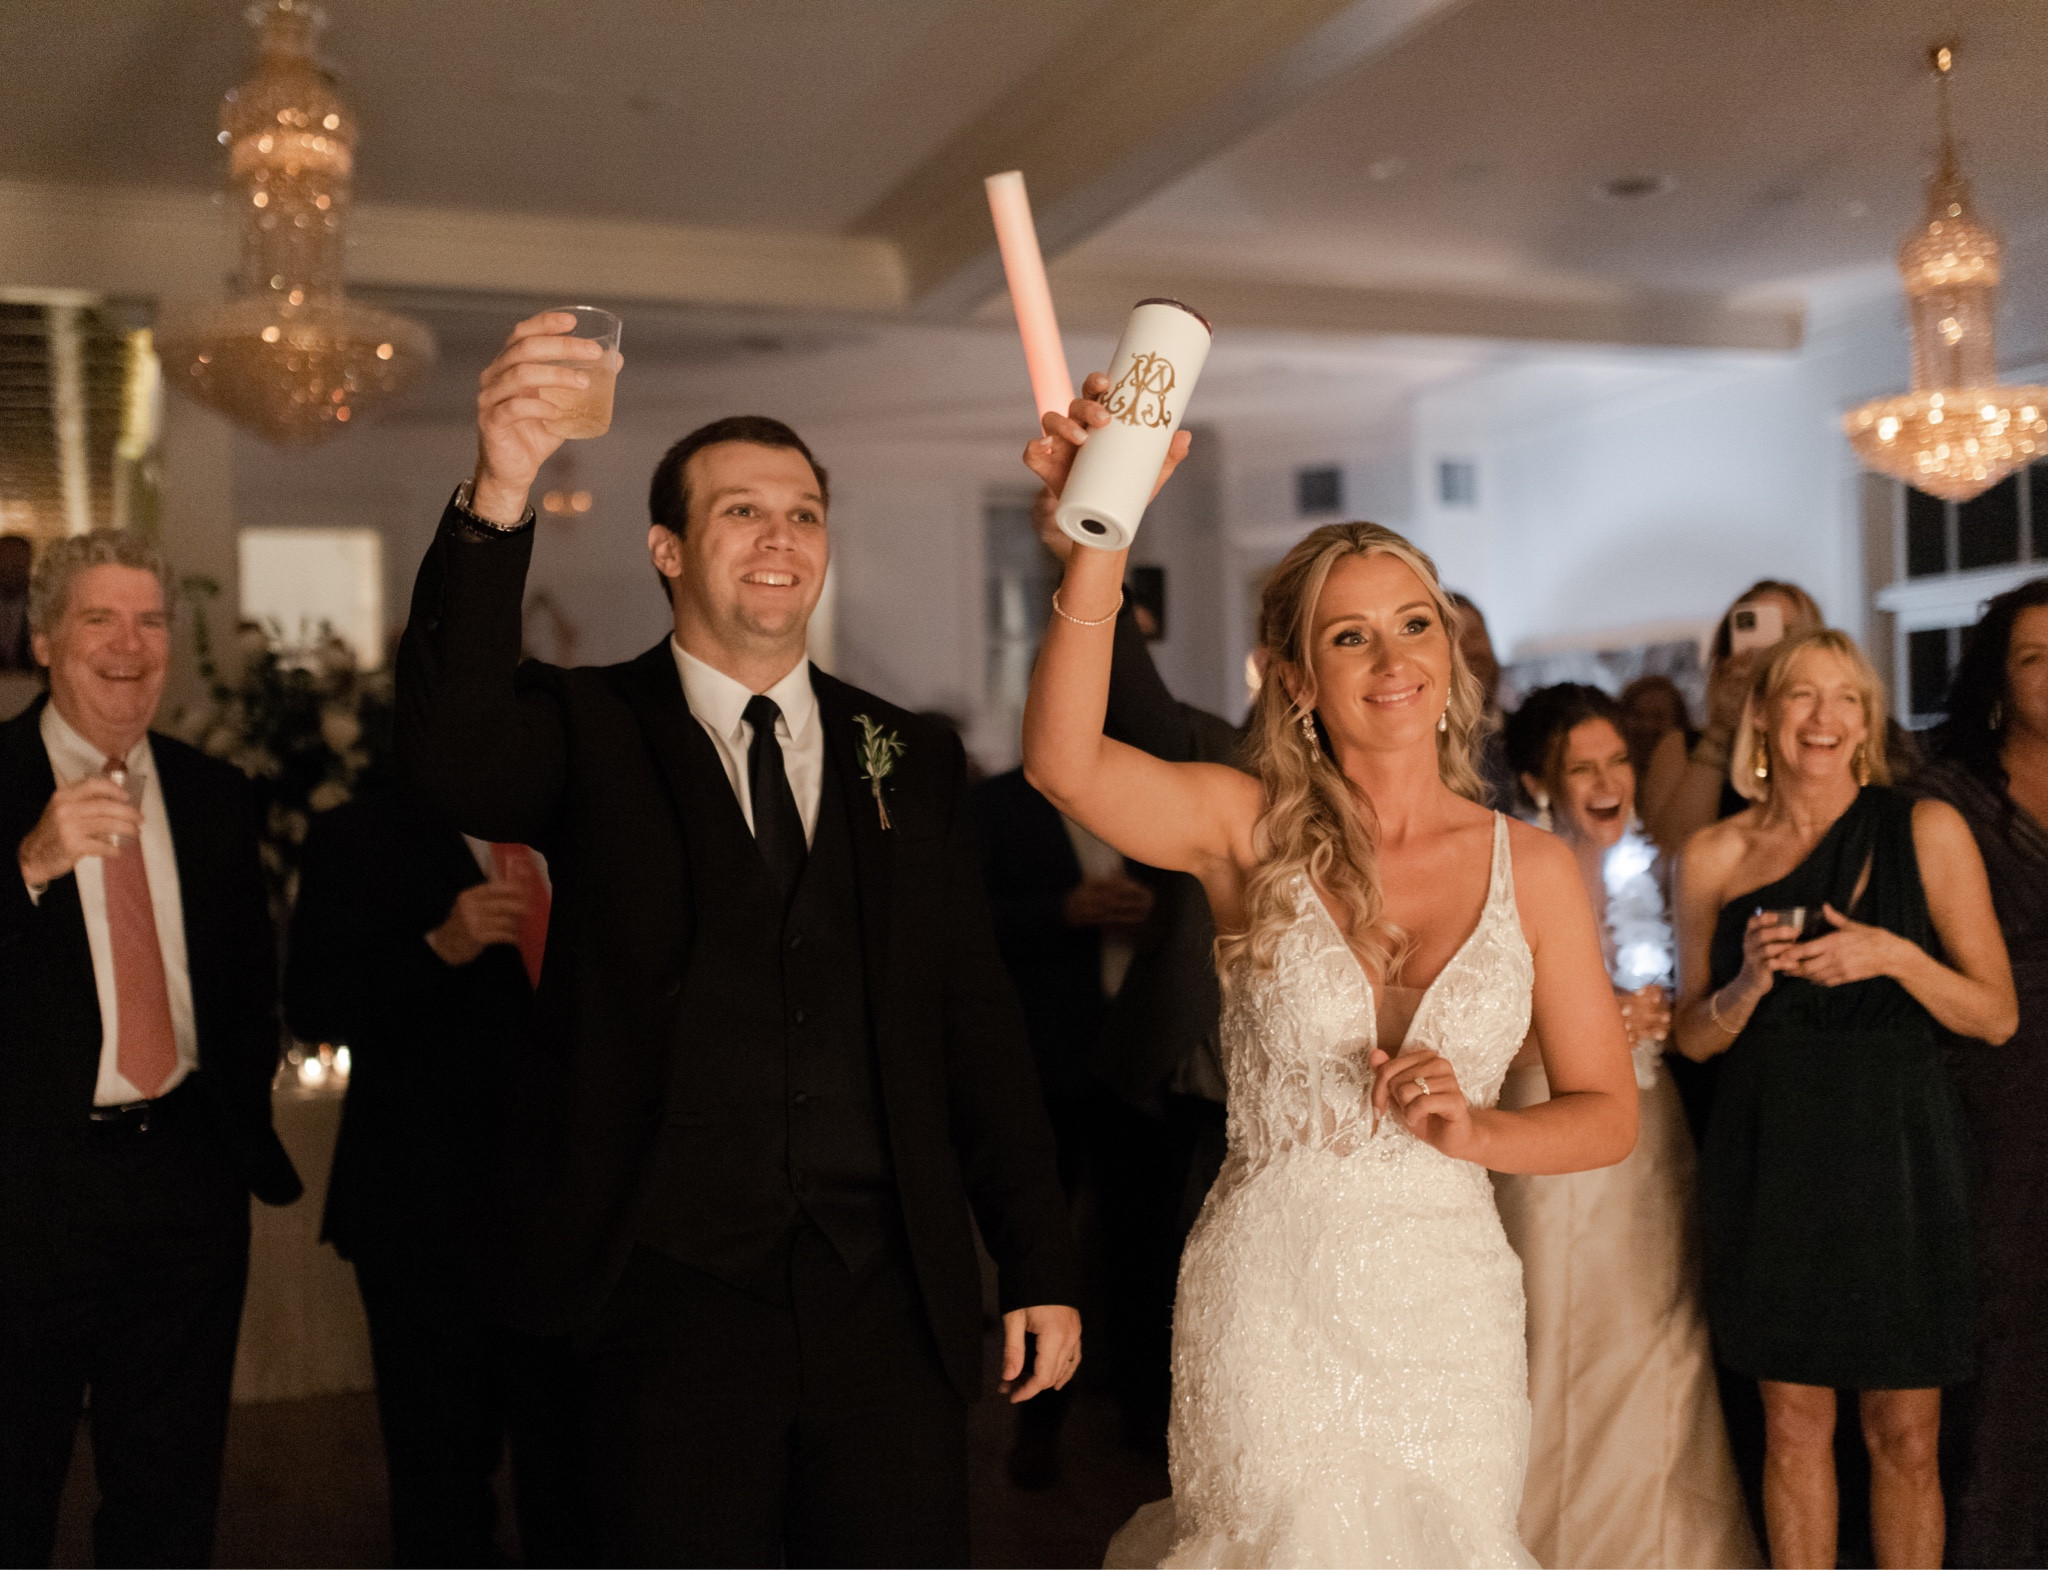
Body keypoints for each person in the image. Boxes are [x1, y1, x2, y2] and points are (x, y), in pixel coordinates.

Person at [396, 311, 1081, 1568]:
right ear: (666, 547)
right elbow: (449, 755)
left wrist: (1035, 1249)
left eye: (804, 513)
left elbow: (971, 1016)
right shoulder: (589, 726)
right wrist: (502, 489)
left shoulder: (908, 754)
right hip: (660, 1299)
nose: (780, 538)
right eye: (740, 513)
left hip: (887, 1299)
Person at [1023, 373, 1637, 1568]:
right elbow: (1060, 763)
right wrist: (1098, 539)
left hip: (1449, 1301)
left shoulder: (1537, 868)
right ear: (1296, 680)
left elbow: (1604, 1114)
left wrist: (1478, 1134)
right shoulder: (1241, 827)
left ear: (1451, 655)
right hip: (1270, 1293)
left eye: (1413, 623)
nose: (1390, 656)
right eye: (1346, 635)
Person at [1671, 629, 2016, 1570]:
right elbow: (1691, 1037)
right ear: (1764, 719)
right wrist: (1743, 988)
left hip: (1897, 1148)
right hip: (1773, 1147)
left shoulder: (1924, 829)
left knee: (1905, 1433)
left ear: (1866, 722)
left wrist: (1893, 957)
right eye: (1800, 697)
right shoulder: (1709, 856)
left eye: (1846, 699)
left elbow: (1995, 1015)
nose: (1823, 718)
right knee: (1790, 1424)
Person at [0, 532, 300, 1568]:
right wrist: (27, 865)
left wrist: (231, 1131)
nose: (129, 644)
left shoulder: (215, 793)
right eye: (98, 618)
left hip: (186, 1179)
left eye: (150, 620)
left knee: (169, 1488)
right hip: (27, 1186)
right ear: (43, 639)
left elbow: (244, 989)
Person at [1495, 684, 1756, 1569]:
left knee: (1662, 1335)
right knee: (1562, 1339)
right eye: (1583, 767)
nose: (1608, 781)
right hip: (1555, 1133)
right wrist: (1596, 1024)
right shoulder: (1516, 877)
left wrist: (1661, 1017)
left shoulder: (1646, 865)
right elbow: (1486, 1039)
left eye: (1617, 762)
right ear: (1538, 782)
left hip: (1653, 1120)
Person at [284, 782, 562, 1567]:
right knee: (440, 1486)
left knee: (576, 1478)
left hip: (568, 1213)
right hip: (423, 1219)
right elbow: (312, 1002)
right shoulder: (362, 833)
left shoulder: (577, 820)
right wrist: (438, 947)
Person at [1911, 576, 2048, 1567]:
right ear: (1997, 684)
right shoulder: (1947, 796)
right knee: (2009, 1317)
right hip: (2001, 1084)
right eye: (2035, 657)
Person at [974, 762, 1152, 1486]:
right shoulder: (996, 806)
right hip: (1047, 1061)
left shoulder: (1145, 796)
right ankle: (1036, 1426)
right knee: (1044, 1250)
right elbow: (965, 922)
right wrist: (1063, 911)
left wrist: (1156, 908)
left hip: (1139, 1059)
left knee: (1139, 1246)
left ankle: (1145, 1424)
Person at [1642, 580, 1825, 859]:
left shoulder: (1829, 740)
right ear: (1726, 653)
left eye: (1784, 635)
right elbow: (1673, 851)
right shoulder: (1680, 747)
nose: (1765, 651)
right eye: (1752, 632)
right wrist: (1722, 730)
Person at [1448, 590, 1516, 811]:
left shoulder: (1531, 729)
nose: (1471, 650)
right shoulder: (1431, 755)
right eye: (1456, 641)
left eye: (1476, 635)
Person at [1617, 672, 1695, 781]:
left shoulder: (1694, 779)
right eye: (1637, 715)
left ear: (1677, 724)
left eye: (1658, 717)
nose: (1647, 725)